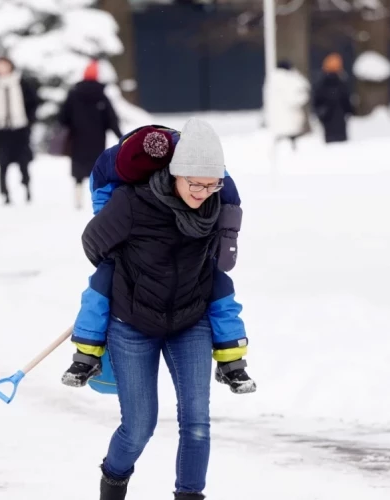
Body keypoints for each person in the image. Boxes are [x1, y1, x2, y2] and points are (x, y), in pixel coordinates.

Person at [76, 118, 252, 500]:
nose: (203, 193)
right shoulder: (132, 203)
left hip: (190, 320)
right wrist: (120, 264)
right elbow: (93, 243)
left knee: (197, 424)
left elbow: (218, 274)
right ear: (176, 173)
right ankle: (113, 482)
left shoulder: (214, 208)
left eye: (212, 185)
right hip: (132, 323)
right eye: (195, 184)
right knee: (139, 427)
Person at [61, 121, 253, 398]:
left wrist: (225, 240)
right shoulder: (127, 163)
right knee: (101, 284)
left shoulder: (206, 164)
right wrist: (118, 254)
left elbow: (230, 201)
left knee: (219, 286)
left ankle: (231, 362)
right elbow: (96, 229)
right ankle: (86, 357)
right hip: (124, 220)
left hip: (183, 238)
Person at [58, 59, 122, 210]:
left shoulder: (73, 94)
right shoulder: (102, 96)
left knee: (78, 172)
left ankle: (78, 198)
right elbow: (111, 120)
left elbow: (63, 118)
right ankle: (98, 199)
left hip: (78, 140)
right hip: (97, 141)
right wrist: (121, 137)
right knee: (97, 170)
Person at [0, 56, 40, 205]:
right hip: (2, 129)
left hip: (20, 127)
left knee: (23, 162)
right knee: (3, 163)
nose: (1, 68)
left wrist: (29, 121)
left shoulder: (21, 83)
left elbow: (33, 102)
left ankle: (26, 187)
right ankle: (5, 193)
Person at [263, 60, 310, 151]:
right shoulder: (286, 80)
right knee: (290, 150)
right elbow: (293, 99)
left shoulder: (272, 79)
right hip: (289, 122)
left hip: (276, 122)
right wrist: (304, 95)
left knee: (280, 147)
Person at [312, 53, 354, 144]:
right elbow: (346, 101)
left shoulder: (321, 84)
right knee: (341, 144)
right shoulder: (341, 83)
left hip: (328, 119)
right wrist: (350, 111)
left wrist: (320, 113)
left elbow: (316, 101)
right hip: (339, 119)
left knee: (331, 144)